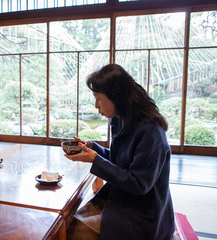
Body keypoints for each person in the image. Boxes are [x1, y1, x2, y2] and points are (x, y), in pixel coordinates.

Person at [65, 64, 175, 240]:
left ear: (116, 96)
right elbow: (120, 162)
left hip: (142, 216)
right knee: (66, 221)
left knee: (71, 232)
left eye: (98, 99)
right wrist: (93, 148)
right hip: (123, 201)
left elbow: (139, 184)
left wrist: (95, 160)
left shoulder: (150, 130)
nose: (95, 105)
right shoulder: (122, 120)